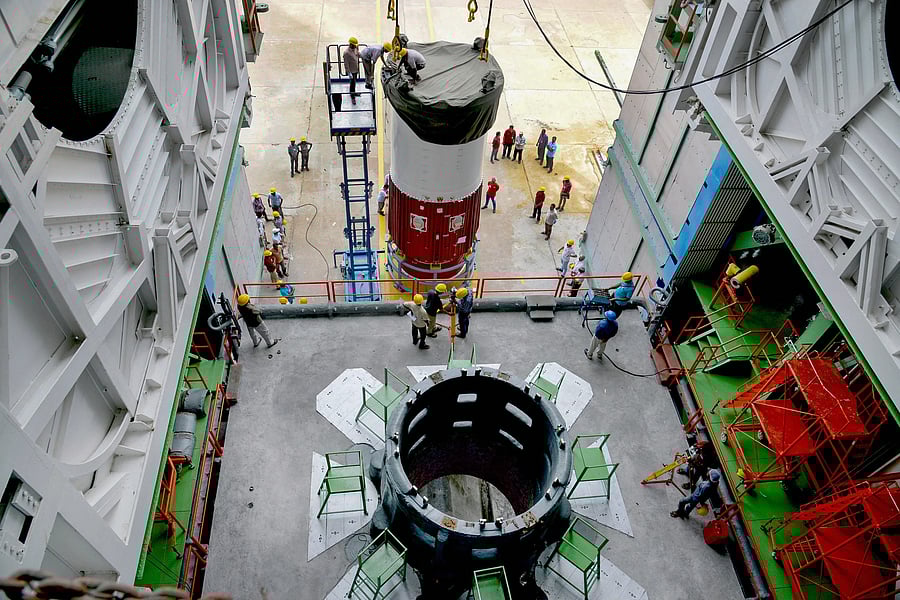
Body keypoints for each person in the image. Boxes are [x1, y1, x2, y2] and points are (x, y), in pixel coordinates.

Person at [343, 37, 361, 103]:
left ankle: (353, 92)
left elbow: (357, 54)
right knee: (352, 83)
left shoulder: (355, 48)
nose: (355, 46)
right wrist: (349, 73)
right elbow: (346, 64)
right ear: (350, 44)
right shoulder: (346, 53)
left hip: (356, 69)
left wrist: (362, 55)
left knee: (354, 82)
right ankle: (352, 96)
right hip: (352, 71)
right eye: (354, 45)